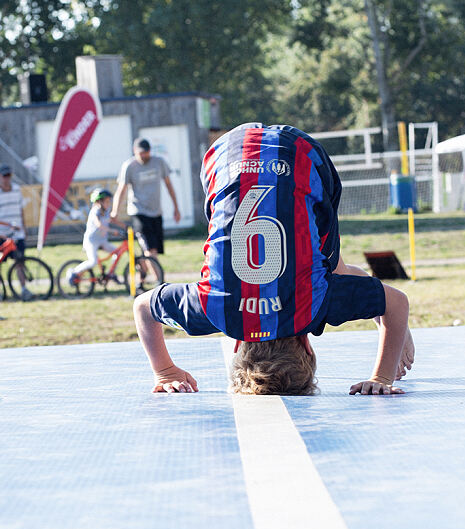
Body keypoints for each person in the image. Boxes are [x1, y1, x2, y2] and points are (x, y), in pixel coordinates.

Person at [133, 123, 413, 396]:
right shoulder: (216, 311)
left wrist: (382, 375)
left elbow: (397, 303)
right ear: (236, 344)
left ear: (306, 343)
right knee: (328, 268)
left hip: (301, 153)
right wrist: (164, 371)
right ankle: (378, 310)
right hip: (226, 154)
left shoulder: (312, 308)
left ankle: (379, 312)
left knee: (331, 268)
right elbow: (143, 307)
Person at [112, 138, 181, 285]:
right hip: (138, 212)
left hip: (156, 212)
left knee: (151, 249)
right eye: (141, 153)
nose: (144, 156)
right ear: (135, 152)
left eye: (147, 152)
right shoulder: (129, 166)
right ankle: (160, 283)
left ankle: (140, 280)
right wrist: (114, 211)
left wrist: (176, 208)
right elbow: (121, 190)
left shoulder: (159, 162)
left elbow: (169, 185)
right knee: (150, 250)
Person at [68, 188, 117, 285]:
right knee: (93, 261)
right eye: (106, 202)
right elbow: (98, 224)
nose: (108, 204)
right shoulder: (95, 211)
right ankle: (74, 272)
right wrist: (112, 231)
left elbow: (113, 220)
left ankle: (110, 273)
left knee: (117, 252)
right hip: (91, 241)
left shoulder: (106, 211)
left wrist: (125, 227)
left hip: (102, 241)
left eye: (109, 201)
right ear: (99, 202)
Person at [0, 164, 28, 256]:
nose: (6, 178)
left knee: (20, 260)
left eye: (8, 175)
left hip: (17, 231)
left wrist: (24, 227)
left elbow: (21, 210)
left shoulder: (17, 189)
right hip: (1, 233)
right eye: (4, 176)